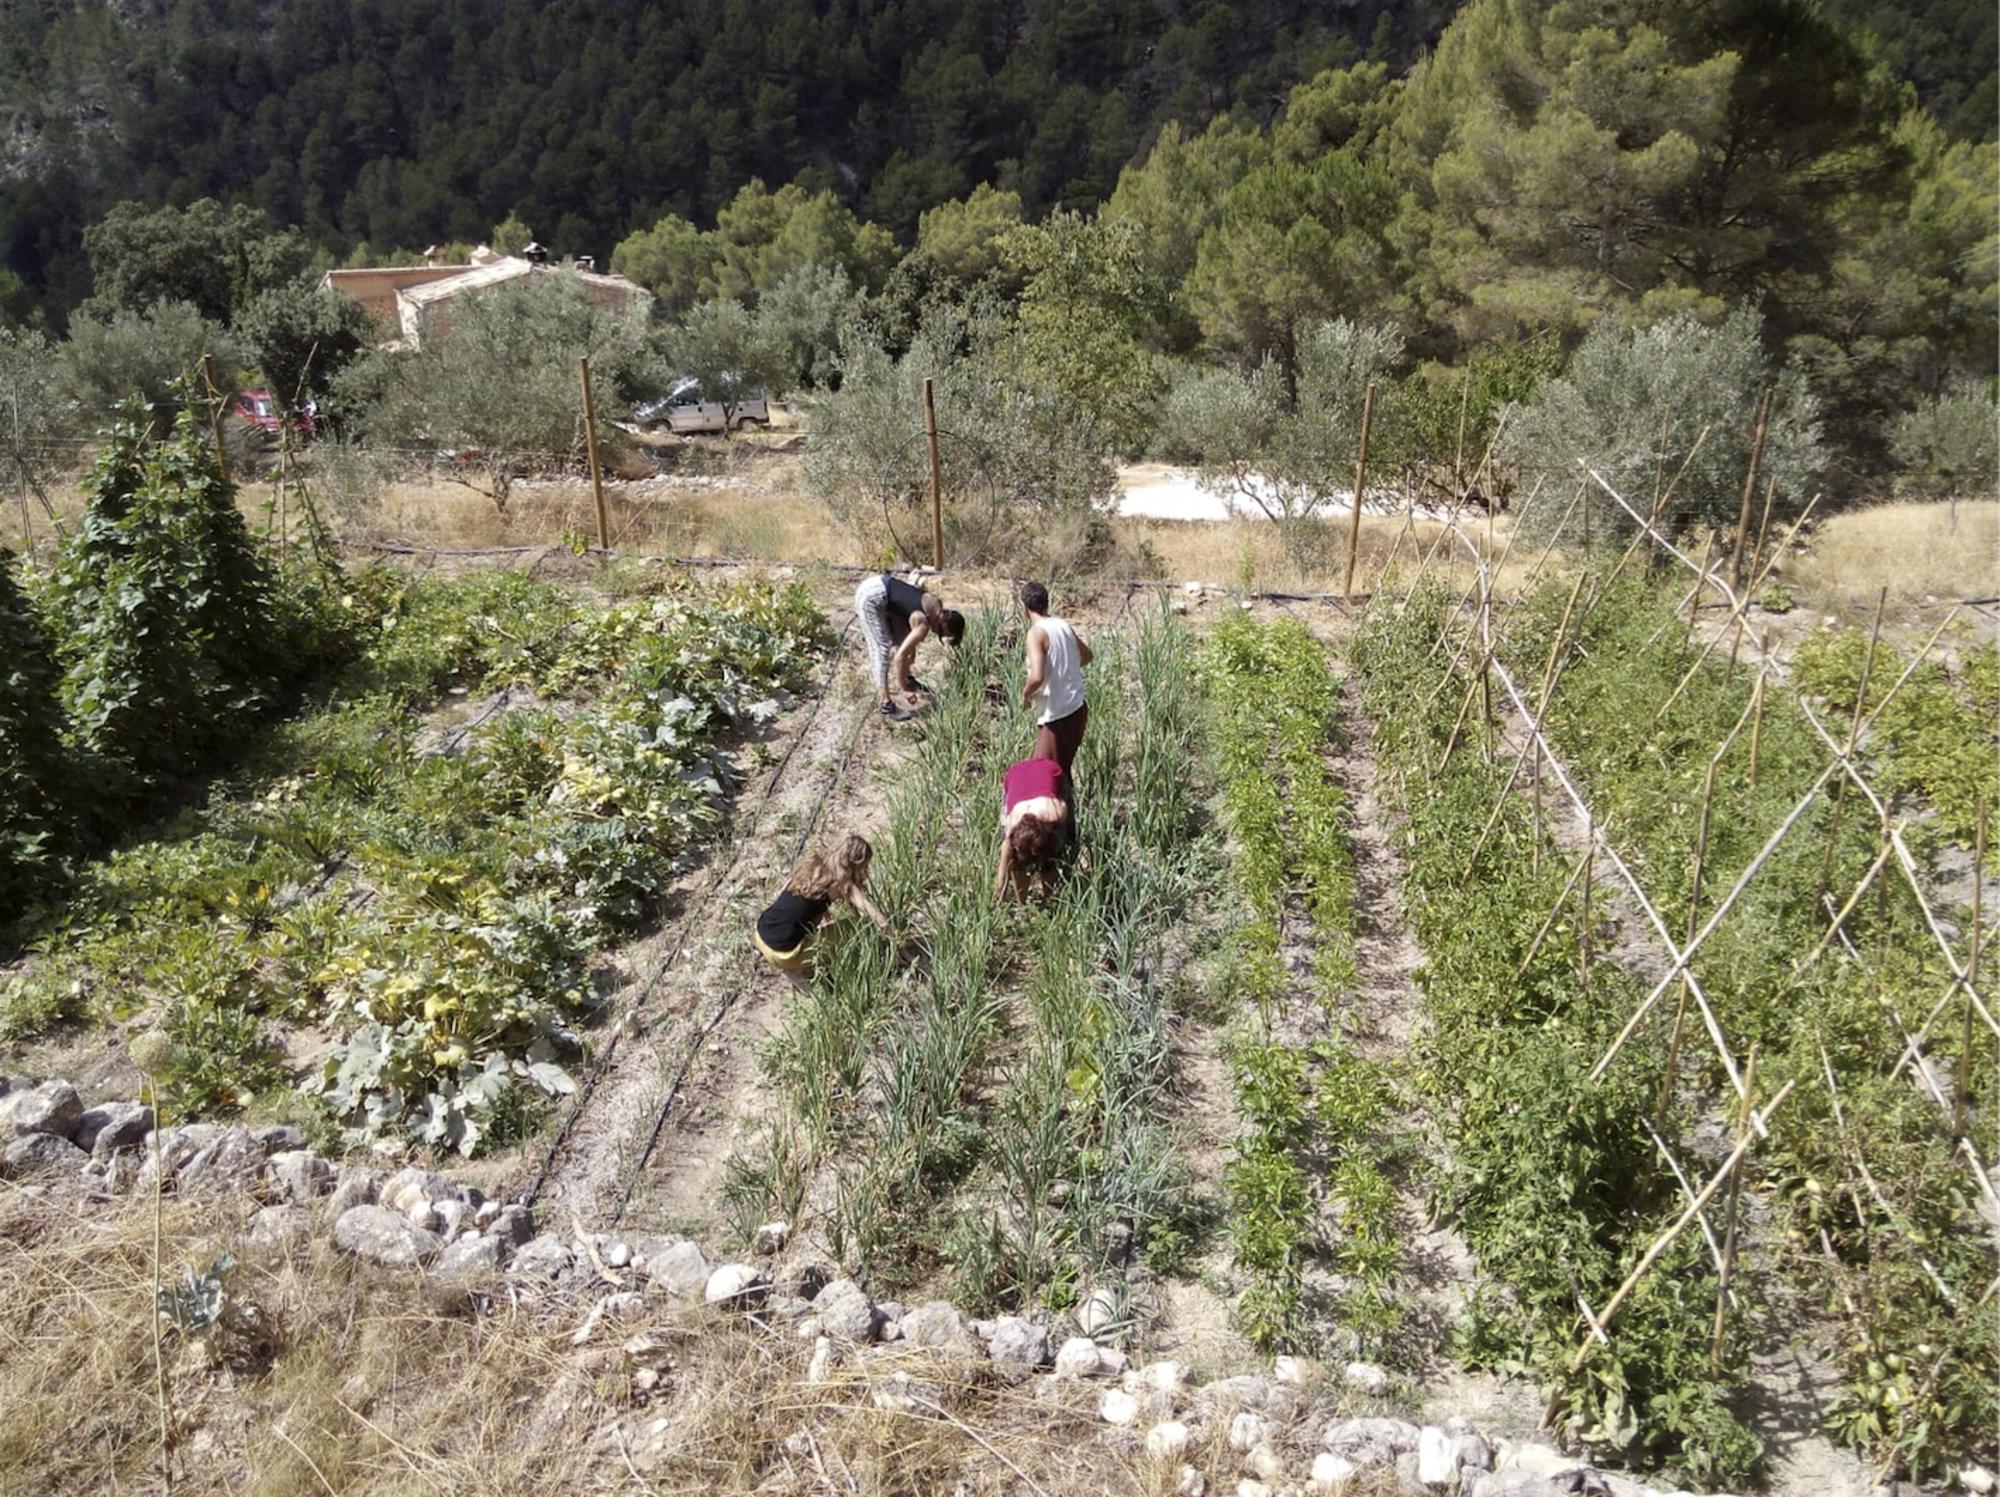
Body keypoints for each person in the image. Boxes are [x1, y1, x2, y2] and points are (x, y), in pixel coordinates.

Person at [754, 834, 890, 977]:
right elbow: (878, 919)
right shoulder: (841, 883)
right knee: (857, 925)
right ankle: (802, 971)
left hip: (760, 933)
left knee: (809, 917)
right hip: (784, 955)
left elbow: (786, 895)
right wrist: (897, 943)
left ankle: (801, 963)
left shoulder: (811, 864)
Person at [854, 572, 965, 720]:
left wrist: (910, 654)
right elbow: (899, 657)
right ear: (944, 623)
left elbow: (908, 624)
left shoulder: (936, 607)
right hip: (870, 597)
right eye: (942, 633)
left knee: (907, 648)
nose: (938, 634)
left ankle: (907, 679)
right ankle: (886, 704)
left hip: (882, 585)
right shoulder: (924, 624)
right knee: (881, 649)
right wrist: (903, 690)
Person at [1018, 581, 1092, 770]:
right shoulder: (1062, 625)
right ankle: (1070, 800)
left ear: (1025, 608)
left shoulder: (1036, 633)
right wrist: (1066, 668)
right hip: (1077, 709)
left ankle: (1066, 801)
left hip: (1057, 715)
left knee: (1043, 774)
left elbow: (1037, 677)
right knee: (1061, 772)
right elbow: (1087, 656)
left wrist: (1026, 695)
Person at [994, 756, 1072, 901]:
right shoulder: (1010, 825)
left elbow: (1064, 807)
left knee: (1053, 852)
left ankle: (1050, 898)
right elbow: (1003, 867)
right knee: (1018, 864)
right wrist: (998, 901)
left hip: (1050, 769)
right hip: (1015, 774)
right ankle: (1021, 903)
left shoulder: (1055, 813)